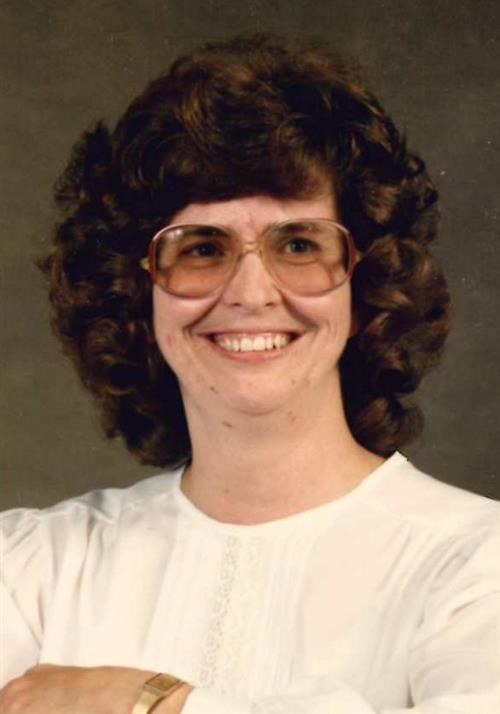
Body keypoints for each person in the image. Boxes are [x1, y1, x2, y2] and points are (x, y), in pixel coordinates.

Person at [1, 33, 498, 714]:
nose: (251, 293)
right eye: (201, 249)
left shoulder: (474, 563)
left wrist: (154, 702)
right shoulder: (31, 572)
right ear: (135, 292)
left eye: (298, 244)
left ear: (366, 285)